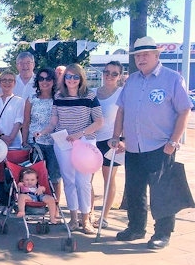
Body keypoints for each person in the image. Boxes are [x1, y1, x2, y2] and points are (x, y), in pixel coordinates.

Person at [111, 36, 191, 249]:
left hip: (160, 146)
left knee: (162, 192)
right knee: (135, 189)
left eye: (146, 54)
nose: (141, 58)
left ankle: (163, 233)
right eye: (138, 55)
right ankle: (136, 227)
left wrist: (173, 142)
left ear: (157, 55)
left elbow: (184, 110)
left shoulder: (172, 79)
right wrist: (117, 136)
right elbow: (122, 110)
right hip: (133, 147)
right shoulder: (132, 81)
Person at [36, 63, 103, 234]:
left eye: (75, 76)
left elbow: (99, 122)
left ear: (81, 78)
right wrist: (43, 132)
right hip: (63, 143)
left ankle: (86, 219)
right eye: (68, 76)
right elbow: (53, 122)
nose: (71, 80)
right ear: (64, 78)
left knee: (84, 182)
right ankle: (73, 219)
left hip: (85, 144)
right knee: (69, 181)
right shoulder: (58, 96)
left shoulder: (89, 96)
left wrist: (80, 134)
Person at [90, 61, 124, 229]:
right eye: (107, 72)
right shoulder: (92, 92)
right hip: (91, 141)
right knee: (87, 179)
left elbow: (127, 118)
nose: (109, 76)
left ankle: (104, 215)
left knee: (108, 178)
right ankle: (89, 212)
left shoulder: (122, 93)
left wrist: (122, 140)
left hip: (111, 141)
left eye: (114, 73)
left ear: (120, 76)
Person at [0, 71, 25, 215]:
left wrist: (10, 137)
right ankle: (2, 202)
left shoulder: (19, 101)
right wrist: (2, 136)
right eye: (4, 80)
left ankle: (11, 203)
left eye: (10, 80)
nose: (7, 83)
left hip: (14, 142)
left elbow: (19, 120)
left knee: (11, 173)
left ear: (14, 83)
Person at [22, 67, 62, 195]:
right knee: (35, 178)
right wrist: (24, 141)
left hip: (54, 143)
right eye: (41, 78)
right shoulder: (31, 98)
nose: (45, 81)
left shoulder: (59, 98)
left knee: (55, 177)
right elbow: (26, 122)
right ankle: (37, 205)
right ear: (37, 81)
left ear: (53, 81)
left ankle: (54, 207)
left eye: (48, 78)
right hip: (35, 143)